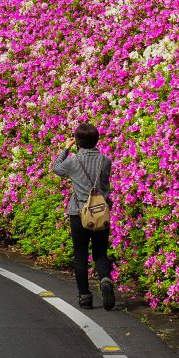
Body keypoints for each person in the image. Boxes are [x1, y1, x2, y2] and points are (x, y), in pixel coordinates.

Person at [51, 122, 114, 310]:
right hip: (100, 212)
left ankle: (85, 296)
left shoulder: (72, 162)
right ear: (97, 140)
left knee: (80, 255)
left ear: (77, 141)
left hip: (78, 213)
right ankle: (104, 279)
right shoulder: (106, 161)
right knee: (100, 253)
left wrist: (66, 148)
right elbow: (103, 185)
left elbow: (56, 168)